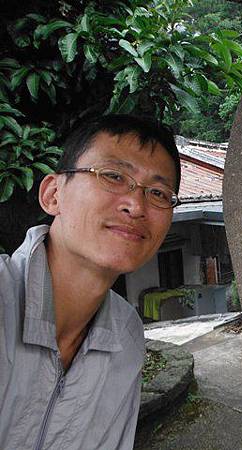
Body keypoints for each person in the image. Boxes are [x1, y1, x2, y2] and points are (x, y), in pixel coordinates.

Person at [0, 114, 181, 449]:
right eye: (113, 176)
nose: (136, 205)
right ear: (53, 194)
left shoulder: (126, 337)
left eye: (158, 192)